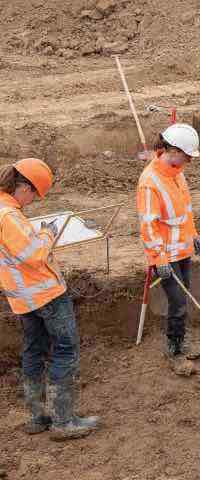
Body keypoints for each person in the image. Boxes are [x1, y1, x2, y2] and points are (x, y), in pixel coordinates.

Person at [0, 158, 99, 440]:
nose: (32, 201)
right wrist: (47, 233)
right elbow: (34, 256)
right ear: (23, 187)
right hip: (45, 295)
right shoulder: (8, 215)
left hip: (22, 299)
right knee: (65, 350)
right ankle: (63, 421)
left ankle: (38, 417)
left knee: (33, 351)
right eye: (34, 194)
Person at [137, 123, 200, 363]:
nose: (189, 161)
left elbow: (185, 209)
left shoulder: (177, 174)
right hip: (165, 256)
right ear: (173, 150)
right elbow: (148, 225)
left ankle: (180, 340)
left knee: (183, 297)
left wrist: (194, 234)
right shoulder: (150, 182)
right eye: (187, 156)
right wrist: (158, 258)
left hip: (183, 249)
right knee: (177, 301)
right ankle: (174, 348)